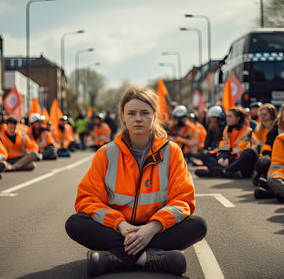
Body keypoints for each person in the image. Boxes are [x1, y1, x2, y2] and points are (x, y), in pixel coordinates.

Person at [65, 87, 207, 277]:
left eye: (144, 113)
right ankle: (150, 258)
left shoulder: (172, 152)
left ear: (154, 116)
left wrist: (151, 227)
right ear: (123, 116)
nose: (138, 118)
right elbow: (87, 200)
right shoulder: (106, 153)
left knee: (198, 225)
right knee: (75, 223)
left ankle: (115, 259)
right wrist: (121, 225)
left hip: (156, 229)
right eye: (131, 113)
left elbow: (183, 200)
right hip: (119, 229)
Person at [195, 106, 253, 178]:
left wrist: (228, 158)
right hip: (227, 160)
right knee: (203, 154)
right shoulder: (226, 129)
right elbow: (223, 145)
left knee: (250, 152)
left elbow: (241, 149)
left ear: (238, 118)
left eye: (230, 116)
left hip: (237, 160)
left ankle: (221, 171)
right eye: (227, 116)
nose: (227, 119)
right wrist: (222, 157)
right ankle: (223, 171)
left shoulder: (247, 130)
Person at [253, 100, 284, 198]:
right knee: (262, 162)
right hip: (278, 163)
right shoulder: (276, 129)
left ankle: (270, 190)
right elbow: (267, 145)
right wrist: (267, 156)